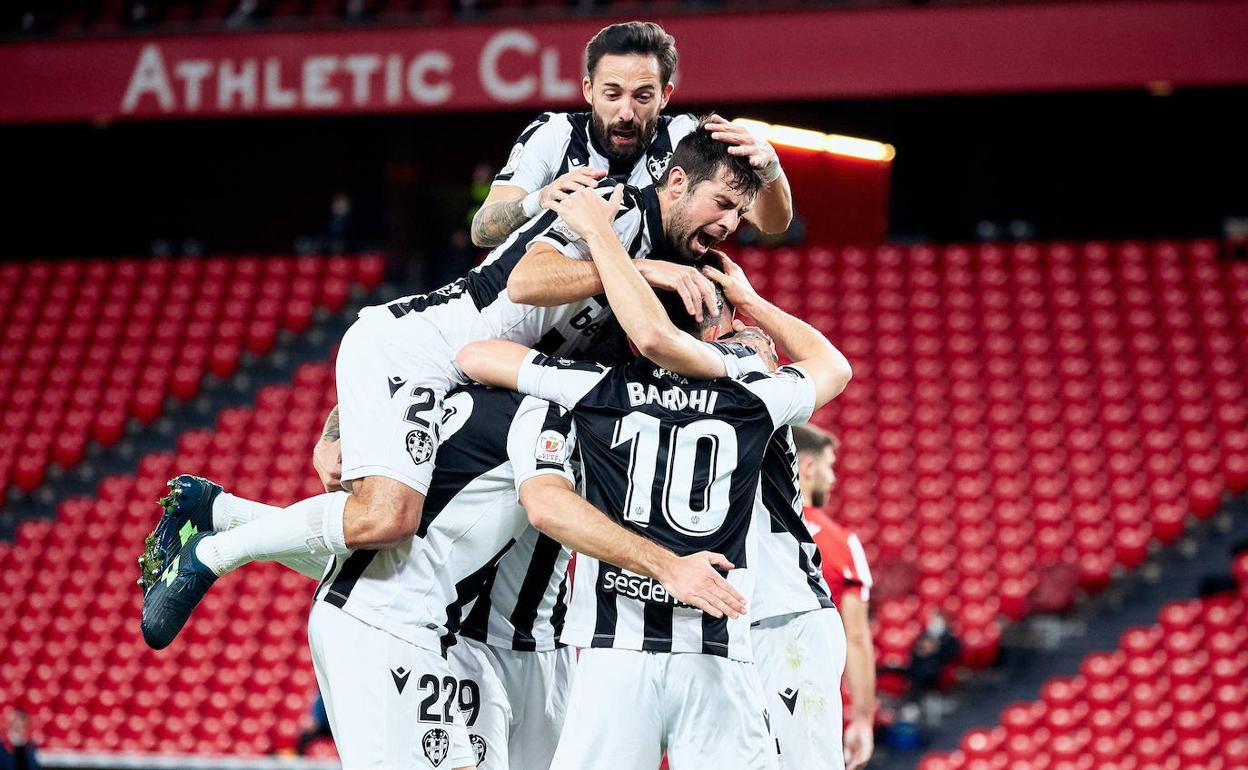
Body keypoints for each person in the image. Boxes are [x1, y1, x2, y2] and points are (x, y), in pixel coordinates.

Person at [456, 176, 851, 768]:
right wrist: (749, 301)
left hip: (620, 649)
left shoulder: (596, 389)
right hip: (722, 644)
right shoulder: (755, 392)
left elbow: (474, 354)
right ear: (715, 331)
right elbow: (832, 365)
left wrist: (598, 248)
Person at [471, 21, 793, 249]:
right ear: (589, 90)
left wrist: (771, 168)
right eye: (612, 95)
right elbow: (482, 230)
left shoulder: (685, 136)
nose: (626, 113)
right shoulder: (554, 133)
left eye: (642, 97)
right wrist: (538, 200)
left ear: (665, 96)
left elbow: (773, 226)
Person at [797, 425, 877, 770]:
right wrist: (862, 720)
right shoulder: (842, 544)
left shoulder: (737, 531)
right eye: (829, 467)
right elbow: (856, 638)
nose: (833, 479)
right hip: (811, 712)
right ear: (808, 467)